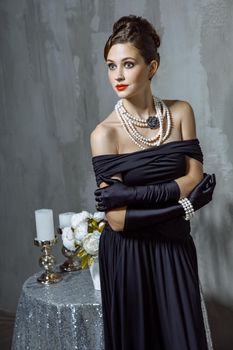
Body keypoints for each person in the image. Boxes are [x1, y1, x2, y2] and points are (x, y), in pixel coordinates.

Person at [90, 15, 216, 350]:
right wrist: (186, 204)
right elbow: (117, 220)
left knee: (183, 339)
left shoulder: (181, 113)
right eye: (110, 65)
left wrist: (130, 194)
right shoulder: (105, 134)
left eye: (128, 64)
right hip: (128, 255)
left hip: (174, 245)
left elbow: (195, 177)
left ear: (152, 66)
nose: (117, 75)